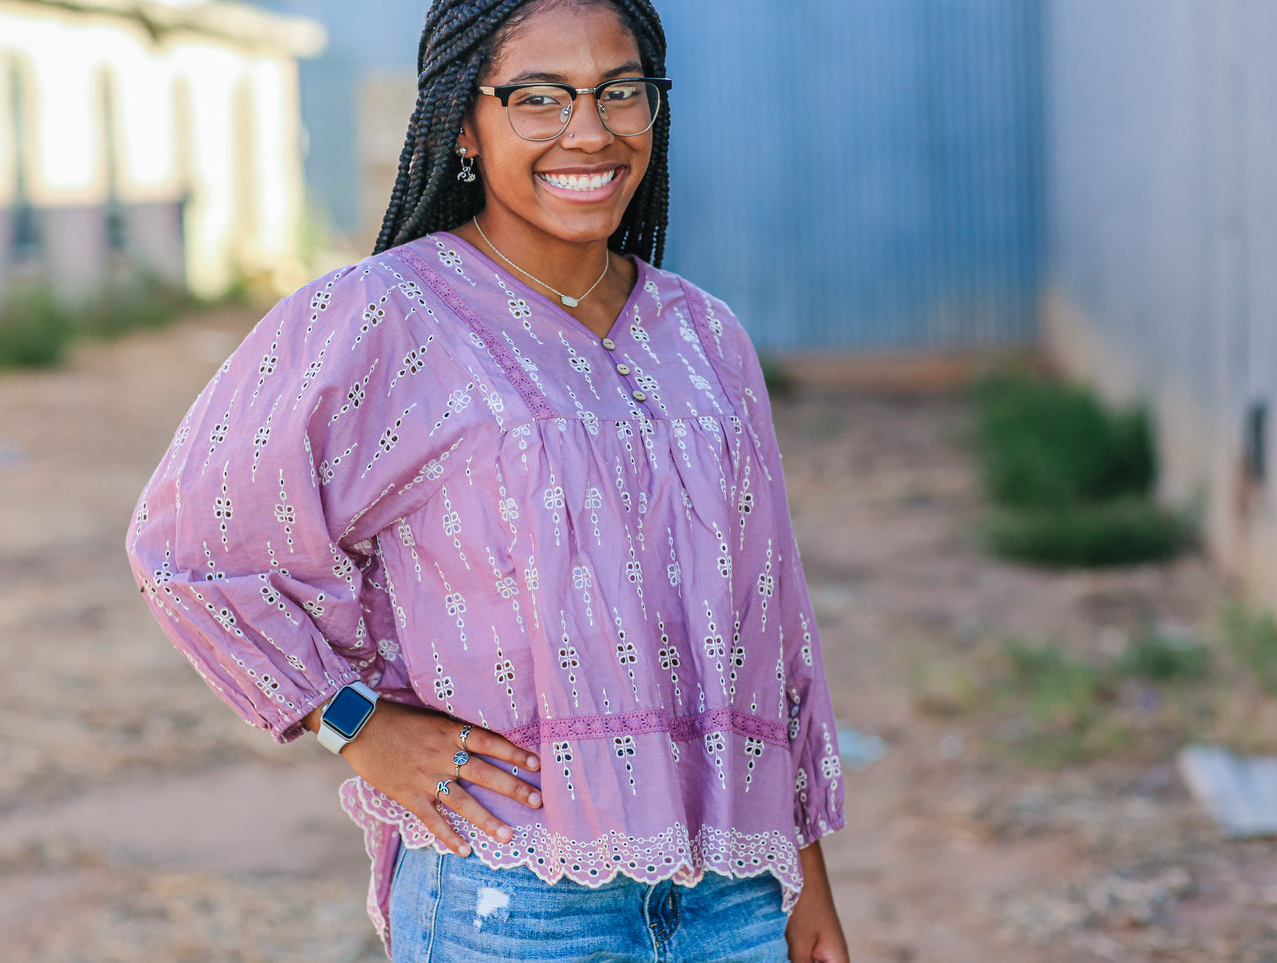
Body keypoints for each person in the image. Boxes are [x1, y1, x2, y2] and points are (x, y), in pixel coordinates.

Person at [126, 0, 848, 960]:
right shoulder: (383, 317)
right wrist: (355, 723)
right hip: (514, 899)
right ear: (462, 120)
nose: (587, 131)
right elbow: (190, 546)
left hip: (733, 897)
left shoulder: (703, 335)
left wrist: (805, 886)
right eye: (538, 97)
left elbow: (772, 632)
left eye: (619, 91)